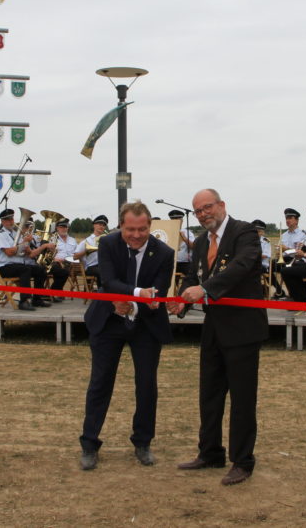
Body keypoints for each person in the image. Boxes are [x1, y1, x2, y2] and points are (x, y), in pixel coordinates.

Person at [168, 188, 268, 486]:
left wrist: (205, 289)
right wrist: (182, 301)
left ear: (222, 205)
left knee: (242, 399)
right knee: (209, 395)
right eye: (198, 211)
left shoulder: (245, 233)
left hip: (243, 329)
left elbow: (241, 267)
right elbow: (192, 277)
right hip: (213, 327)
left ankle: (242, 461)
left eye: (207, 207)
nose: (203, 214)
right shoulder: (201, 242)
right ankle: (210, 452)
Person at [79, 201, 174, 470]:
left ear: (150, 225)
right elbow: (109, 281)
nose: (136, 235)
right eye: (130, 229)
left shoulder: (165, 253)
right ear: (120, 225)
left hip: (146, 325)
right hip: (108, 321)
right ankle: (89, 444)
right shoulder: (108, 243)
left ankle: (143, 442)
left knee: (146, 385)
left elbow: (158, 290)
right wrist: (135, 295)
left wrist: (140, 302)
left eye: (142, 229)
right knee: (100, 382)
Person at [0, 209, 48, 311]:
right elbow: (9, 252)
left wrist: (28, 244)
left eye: (12, 219)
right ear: (2, 221)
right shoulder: (0, 235)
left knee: (40, 270)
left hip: (17, 265)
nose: (11, 222)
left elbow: (28, 252)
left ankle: (37, 299)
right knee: (25, 270)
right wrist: (24, 242)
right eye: (7, 220)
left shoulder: (15, 233)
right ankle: (24, 301)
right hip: (4, 267)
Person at [275, 208, 306, 299]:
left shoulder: (303, 235)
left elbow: (301, 252)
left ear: (297, 220)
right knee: (270, 266)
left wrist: (286, 249)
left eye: (290, 218)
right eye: (286, 218)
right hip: (284, 259)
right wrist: (279, 252)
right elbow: (278, 249)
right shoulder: (283, 235)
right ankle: (279, 291)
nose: (287, 220)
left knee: (287, 269)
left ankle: (295, 294)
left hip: (297, 260)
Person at [47, 218, 78, 299]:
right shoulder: (52, 239)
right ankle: (56, 292)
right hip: (55, 263)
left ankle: (51, 293)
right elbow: (47, 254)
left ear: (68, 228)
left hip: (70, 263)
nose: (63, 229)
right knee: (60, 269)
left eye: (65, 227)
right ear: (57, 228)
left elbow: (77, 253)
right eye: (61, 227)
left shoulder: (73, 240)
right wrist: (55, 259)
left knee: (63, 270)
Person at [74, 215, 108, 288]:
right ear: (94, 225)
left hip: (103, 265)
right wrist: (86, 251)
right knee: (102, 272)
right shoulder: (86, 241)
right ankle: (102, 293)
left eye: (103, 225)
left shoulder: (107, 240)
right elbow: (75, 257)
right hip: (91, 267)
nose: (102, 227)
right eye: (100, 224)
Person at [167, 209, 194, 277]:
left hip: (184, 263)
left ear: (182, 220)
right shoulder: (167, 232)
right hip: (170, 263)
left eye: (177, 219)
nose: (175, 221)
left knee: (191, 278)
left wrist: (185, 239)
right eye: (173, 219)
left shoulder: (188, 233)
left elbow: (194, 247)